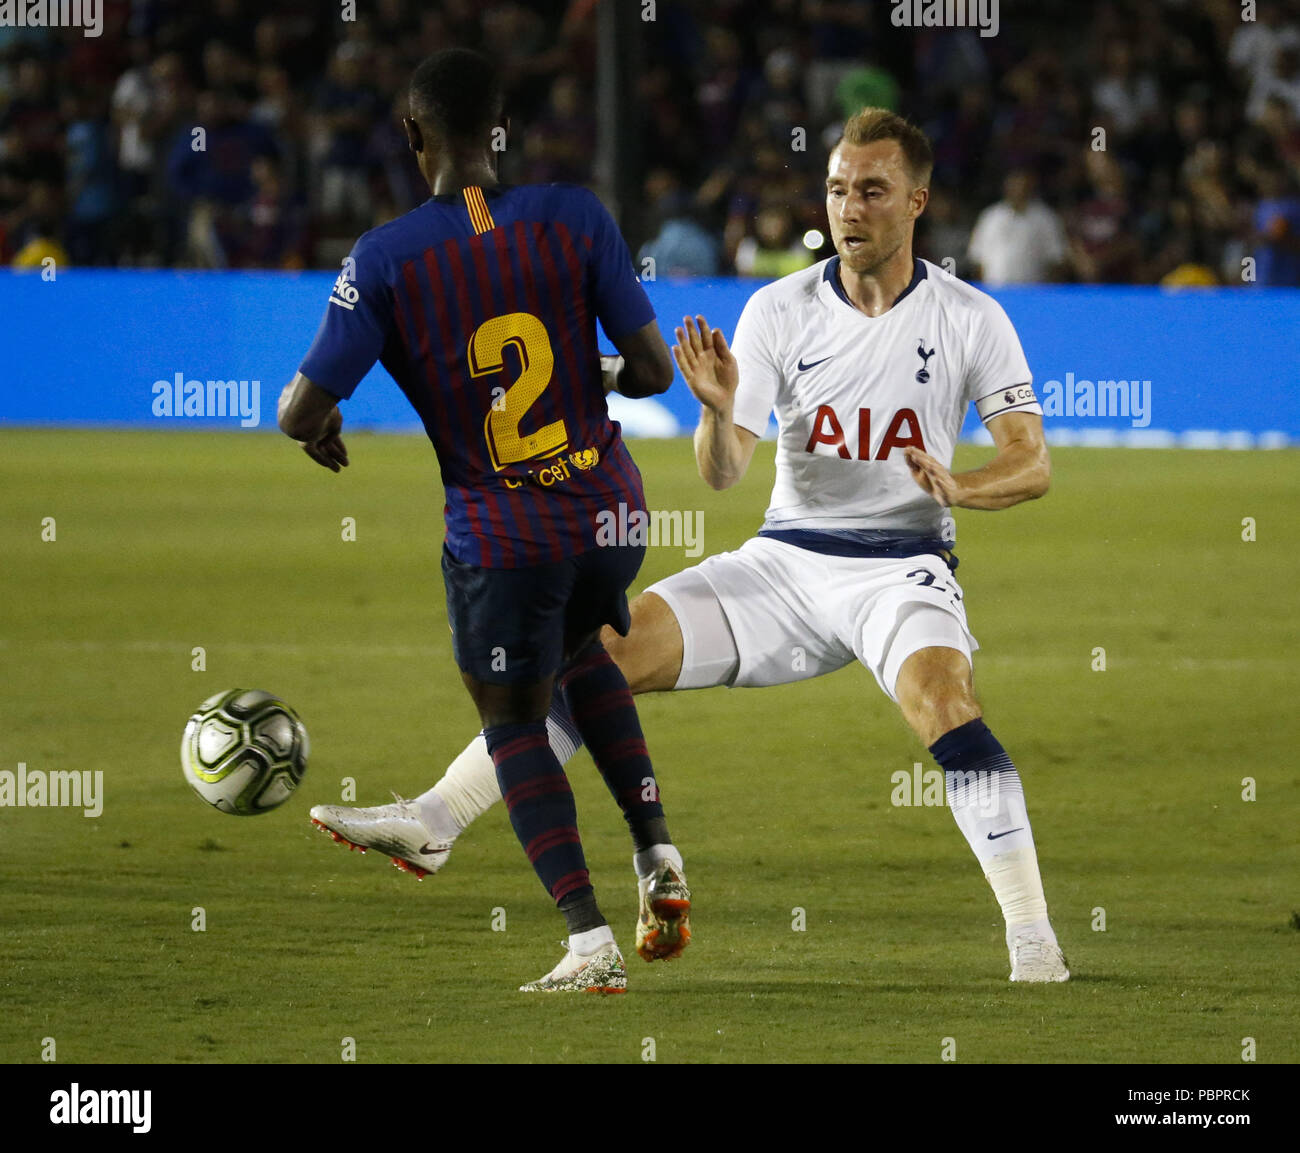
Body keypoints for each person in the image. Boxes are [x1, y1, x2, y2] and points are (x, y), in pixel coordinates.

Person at [316, 106, 1070, 984]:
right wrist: (717, 410)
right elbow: (723, 474)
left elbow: (1032, 462)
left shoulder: (970, 316)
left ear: (917, 201)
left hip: (899, 566)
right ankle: (439, 817)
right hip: (785, 560)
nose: (848, 208)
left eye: (871, 190)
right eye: (836, 189)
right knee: (598, 654)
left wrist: (960, 485)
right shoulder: (780, 309)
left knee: (944, 701)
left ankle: (1033, 941)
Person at [279, 48, 688, 994]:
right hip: (613, 512)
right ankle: (658, 855)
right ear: (500, 130)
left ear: (414, 135)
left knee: (513, 715)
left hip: (506, 535)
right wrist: (597, 378)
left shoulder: (385, 257)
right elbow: (656, 373)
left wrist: (324, 424)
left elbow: (300, 410)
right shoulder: (578, 215)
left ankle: (587, 942)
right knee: (583, 655)